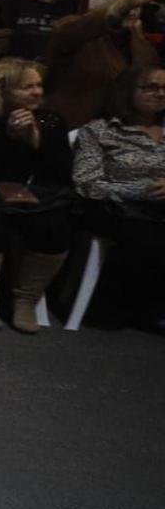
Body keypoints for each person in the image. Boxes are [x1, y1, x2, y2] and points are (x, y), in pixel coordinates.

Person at [0, 59, 74, 332]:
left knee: (55, 224)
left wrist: (34, 140)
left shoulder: (51, 121)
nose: (36, 92)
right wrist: (6, 138)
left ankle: (26, 300)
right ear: (1, 90)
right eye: (26, 87)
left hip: (36, 192)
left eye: (38, 85)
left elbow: (63, 171)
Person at [72, 66, 165, 331]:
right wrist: (141, 190)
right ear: (127, 91)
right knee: (144, 235)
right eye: (150, 87)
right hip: (117, 208)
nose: (160, 94)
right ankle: (132, 309)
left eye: (164, 88)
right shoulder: (100, 130)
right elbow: (86, 182)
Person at [42, 0, 161, 128]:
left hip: (122, 130)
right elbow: (72, 32)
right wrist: (119, 10)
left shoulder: (141, 43)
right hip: (73, 125)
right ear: (99, 7)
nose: (132, 11)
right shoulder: (72, 30)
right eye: (124, 5)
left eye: (136, 6)